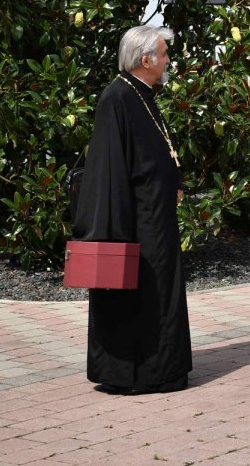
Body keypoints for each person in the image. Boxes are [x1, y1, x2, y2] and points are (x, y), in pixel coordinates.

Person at [74, 25, 191, 394]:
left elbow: (156, 152)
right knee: (138, 295)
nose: (169, 59)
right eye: (164, 53)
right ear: (145, 60)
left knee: (162, 291)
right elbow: (109, 168)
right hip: (132, 220)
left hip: (156, 216)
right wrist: (111, 228)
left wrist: (175, 182)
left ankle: (164, 368)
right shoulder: (116, 98)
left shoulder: (144, 94)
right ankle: (134, 373)